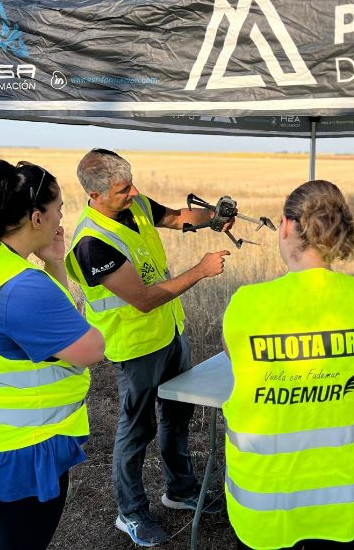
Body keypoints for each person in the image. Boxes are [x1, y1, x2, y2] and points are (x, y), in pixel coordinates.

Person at [64, 148, 229, 546]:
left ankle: (180, 491)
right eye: (123, 189)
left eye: (131, 183)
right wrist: (201, 271)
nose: (134, 192)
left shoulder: (134, 204)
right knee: (137, 430)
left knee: (177, 415)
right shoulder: (92, 245)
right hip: (136, 347)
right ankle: (131, 512)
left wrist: (214, 218)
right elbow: (144, 298)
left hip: (170, 334)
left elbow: (175, 217)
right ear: (95, 195)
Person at [221, 180, 354, 550]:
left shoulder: (248, 304)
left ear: (286, 226)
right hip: (343, 499)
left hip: (265, 498)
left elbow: (234, 355)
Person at [0, 160, 105, 550]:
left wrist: (51, 261)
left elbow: (47, 328)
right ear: (35, 217)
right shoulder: (23, 289)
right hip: (21, 450)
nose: (63, 217)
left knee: (3, 538)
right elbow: (90, 348)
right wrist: (54, 269)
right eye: (59, 209)